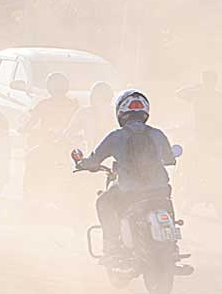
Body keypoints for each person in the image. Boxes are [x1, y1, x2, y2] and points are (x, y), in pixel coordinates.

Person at [72, 90, 177, 265]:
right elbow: (169, 159)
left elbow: (94, 160)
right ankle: (173, 245)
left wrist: (81, 163)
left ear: (121, 112)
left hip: (130, 191)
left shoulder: (116, 136)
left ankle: (112, 247)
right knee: (166, 202)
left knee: (103, 202)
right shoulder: (157, 134)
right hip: (160, 189)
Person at [21, 73, 79, 202]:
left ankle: (28, 196)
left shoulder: (44, 104)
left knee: (30, 158)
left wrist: (23, 129)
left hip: (51, 145)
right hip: (65, 146)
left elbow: (30, 124)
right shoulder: (73, 105)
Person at [176, 70, 222, 147]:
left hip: (212, 135)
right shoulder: (199, 95)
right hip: (204, 134)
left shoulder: (202, 96)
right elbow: (179, 93)